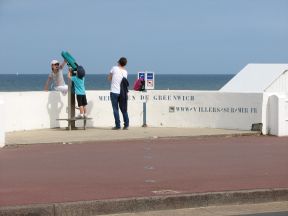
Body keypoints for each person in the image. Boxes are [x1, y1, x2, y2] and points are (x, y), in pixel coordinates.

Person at [108, 57, 129, 130]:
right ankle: (126, 125)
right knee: (124, 109)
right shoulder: (126, 72)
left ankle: (118, 125)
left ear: (119, 62)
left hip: (114, 91)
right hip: (123, 93)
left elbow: (109, 78)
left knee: (115, 109)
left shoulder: (114, 68)